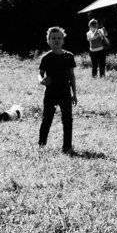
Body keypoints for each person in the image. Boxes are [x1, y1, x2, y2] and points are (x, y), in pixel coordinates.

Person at [38, 26, 77, 154]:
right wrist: (41, 80)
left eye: (59, 38)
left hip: (65, 92)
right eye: (53, 38)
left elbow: (72, 76)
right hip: (50, 92)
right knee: (47, 119)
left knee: (67, 120)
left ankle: (67, 147)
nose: (56, 40)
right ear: (48, 40)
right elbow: (40, 74)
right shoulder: (46, 58)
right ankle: (41, 145)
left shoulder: (69, 56)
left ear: (63, 40)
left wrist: (74, 94)